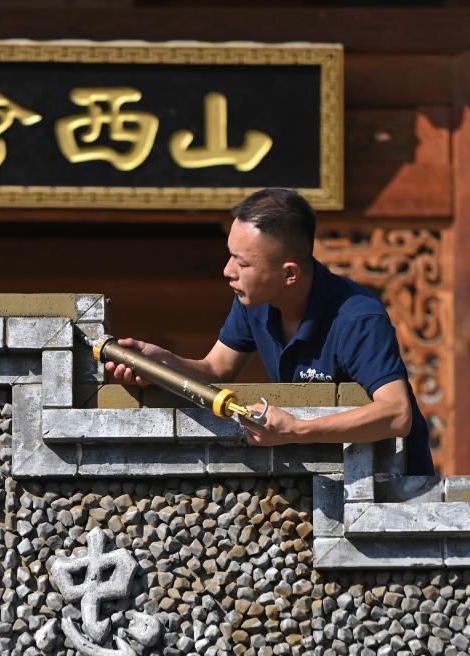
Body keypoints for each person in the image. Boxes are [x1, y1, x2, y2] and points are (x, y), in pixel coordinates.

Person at [105, 188, 435, 476]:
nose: (227, 271)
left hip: (395, 486)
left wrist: (296, 430)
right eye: (230, 255)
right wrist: (163, 364)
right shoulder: (254, 301)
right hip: (323, 470)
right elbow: (217, 370)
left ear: (289, 274)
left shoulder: (358, 319)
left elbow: (397, 414)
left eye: (242, 263)